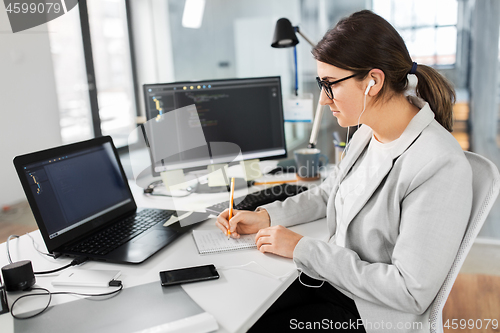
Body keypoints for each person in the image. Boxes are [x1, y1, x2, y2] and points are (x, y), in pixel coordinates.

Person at [216, 10, 472, 333]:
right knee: (240, 311)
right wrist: (267, 216)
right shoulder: (368, 130)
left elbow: (410, 290)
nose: (323, 100)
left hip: (368, 313)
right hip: (334, 283)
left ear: (373, 82)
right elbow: (330, 192)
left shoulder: (439, 164)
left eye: (330, 84)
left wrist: (303, 248)